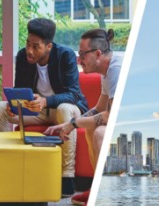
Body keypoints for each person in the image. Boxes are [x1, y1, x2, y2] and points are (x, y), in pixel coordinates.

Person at [0, 18, 88, 197]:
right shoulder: (22, 57)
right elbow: (19, 90)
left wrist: (46, 100)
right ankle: (8, 168)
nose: (29, 50)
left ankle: (66, 177)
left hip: (65, 110)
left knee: (64, 109)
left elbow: (73, 94)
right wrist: (15, 106)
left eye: (36, 47)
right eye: (28, 44)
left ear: (48, 46)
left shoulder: (65, 55)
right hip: (36, 111)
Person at [45, 28, 121, 205]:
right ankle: (97, 188)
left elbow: (111, 116)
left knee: (100, 133)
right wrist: (70, 123)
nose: (79, 60)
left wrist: (74, 123)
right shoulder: (106, 72)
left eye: (82, 54)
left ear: (97, 54)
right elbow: (99, 108)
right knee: (91, 126)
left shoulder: (116, 69)